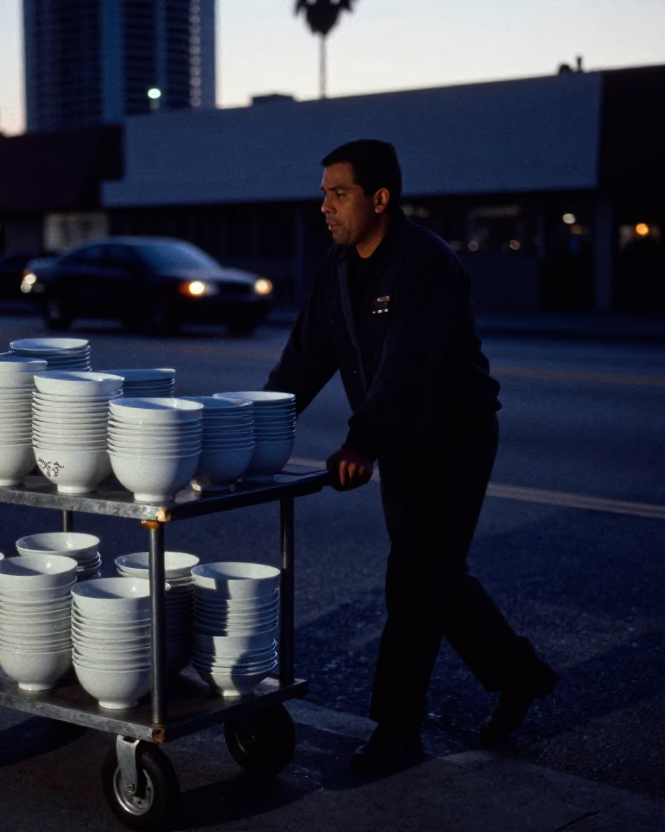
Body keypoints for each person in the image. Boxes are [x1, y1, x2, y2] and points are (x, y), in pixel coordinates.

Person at [264, 139, 558, 775]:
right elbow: (306, 356)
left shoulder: (426, 262)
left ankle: (397, 731)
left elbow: (409, 364)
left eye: (338, 194)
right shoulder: (338, 267)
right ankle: (519, 673)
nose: (324, 207)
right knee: (433, 575)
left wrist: (362, 441)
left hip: (453, 437)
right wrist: (253, 425)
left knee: (414, 578)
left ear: (379, 198)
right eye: (323, 194)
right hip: (399, 436)